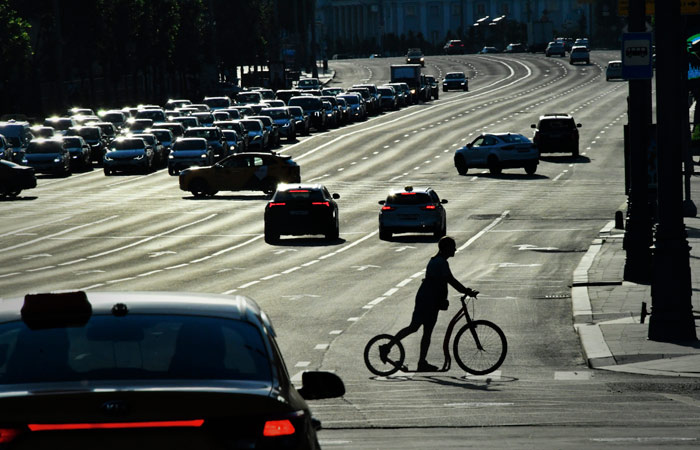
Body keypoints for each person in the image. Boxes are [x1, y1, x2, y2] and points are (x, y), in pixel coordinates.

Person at [380, 236, 477, 372]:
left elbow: (442, 282)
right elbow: (450, 280)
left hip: (430, 300)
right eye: (452, 246)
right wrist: (466, 291)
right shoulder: (440, 262)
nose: (455, 249)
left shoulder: (438, 261)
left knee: (424, 331)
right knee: (416, 328)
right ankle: (389, 348)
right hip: (428, 301)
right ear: (445, 248)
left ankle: (419, 361)